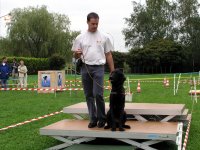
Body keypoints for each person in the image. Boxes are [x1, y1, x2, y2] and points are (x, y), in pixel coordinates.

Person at [72, 12, 115, 128]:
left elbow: (108, 54)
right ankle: (93, 119)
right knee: (88, 95)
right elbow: (75, 56)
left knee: (98, 94)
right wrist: (76, 54)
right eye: (92, 24)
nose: (95, 26)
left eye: (97, 24)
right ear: (87, 22)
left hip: (99, 68)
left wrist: (112, 71)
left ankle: (102, 118)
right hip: (85, 68)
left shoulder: (104, 37)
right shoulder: (80, 38)